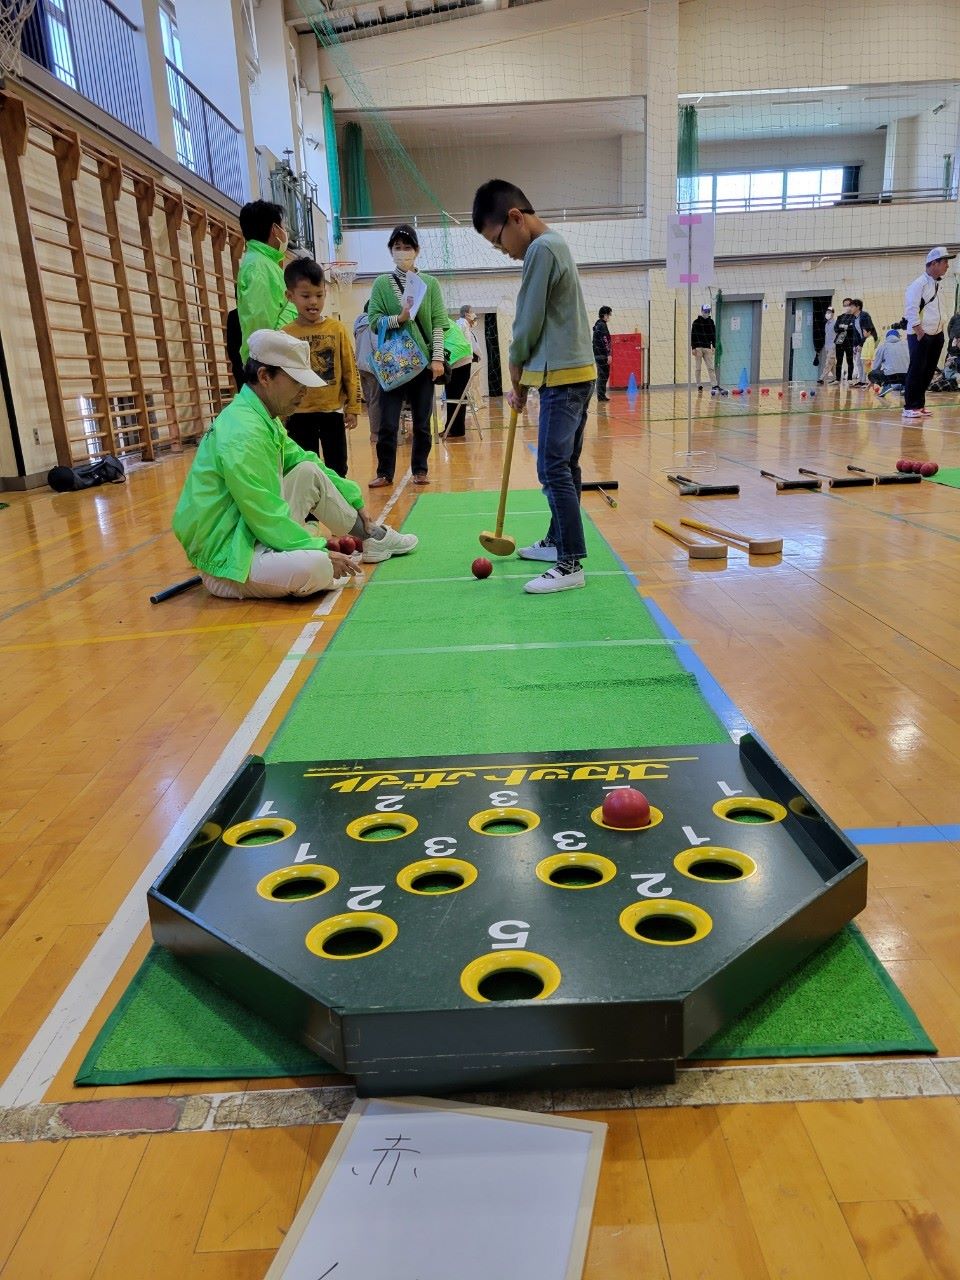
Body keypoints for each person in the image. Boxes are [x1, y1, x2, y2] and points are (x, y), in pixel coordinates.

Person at [172, 330, 417, 600]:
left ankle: (371, 536)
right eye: (296, 382)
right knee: (316, 566)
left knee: (308, 472)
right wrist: (318, 549)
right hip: (230, 560)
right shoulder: (244, 434)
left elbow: (304, 460)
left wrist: (353, 498)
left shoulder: (262, 417)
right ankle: (308, 552)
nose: (304, 391)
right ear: (265, 376)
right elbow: (265, 514)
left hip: (248, 532)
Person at [472, 179, 595, 594]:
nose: (502, 248)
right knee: (566, 466)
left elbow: (528, 319)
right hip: (571, 374)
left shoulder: (540, 251)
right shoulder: (554, 245)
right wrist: (527, 381)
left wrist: (514, 363)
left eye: (498, 239)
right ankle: (559, 540)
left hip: (564, 378)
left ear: (515, 218)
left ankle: (570, 562)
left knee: (551, 467)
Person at [367, 223, 449, 487]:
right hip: (394, 364)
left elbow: (438, 323)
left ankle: (420, 470)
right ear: (391, 251)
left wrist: (437, 359)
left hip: (423, 364)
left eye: (407, 247)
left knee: (422, 422)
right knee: (388, 422)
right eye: (397, 248)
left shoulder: (430, 284)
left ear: (417, 251)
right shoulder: (381, 283)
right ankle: (384, 472)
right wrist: (398, 318)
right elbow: (373, 321)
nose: (402, 252)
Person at [281, 259, 360, 478]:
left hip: (332, 411)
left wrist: (353, 406)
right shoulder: (286, 334)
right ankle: (310, 511)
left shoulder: (336, 329)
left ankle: (339, 507)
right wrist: (280, 411)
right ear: (290, 296)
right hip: (299, 414)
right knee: (305, 467)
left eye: (319, 295)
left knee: (337, 466)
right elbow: (283, 378)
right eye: (306, 296)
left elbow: (349, 369)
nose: (313, 302)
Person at [235, 200, 297, 362]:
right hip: (270, 364)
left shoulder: (265, 263)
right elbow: (260, 325)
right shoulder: (258, 267)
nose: (285, 232)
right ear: (275, 229)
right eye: (283, 227)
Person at [902, 246, 955, 420]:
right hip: (921, 334)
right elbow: (911, 308)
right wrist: (919, 331)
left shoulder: (936, 283)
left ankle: (919, 405)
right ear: (934, 263)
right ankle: (910, 406)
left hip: (936, 333)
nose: (947, 266)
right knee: (916, 370)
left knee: (928, 370)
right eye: (945, 262)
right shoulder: (919, 284)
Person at [354, 303, 383, 444]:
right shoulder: (373, 323)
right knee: (376, 400)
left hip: (361, 365)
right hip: (372, 366)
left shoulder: (358, 323)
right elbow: (377, 345)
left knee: (370, 401)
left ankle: (374, 432)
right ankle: (376, 433)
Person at [442, 317, 475, 439]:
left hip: (458, 357)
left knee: (455, 396)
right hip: (462, 355)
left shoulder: (436, 320)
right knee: (456, 395)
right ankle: (452, 428)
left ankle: (455, 430)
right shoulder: (445, 319)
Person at [868, 328, 909, 396]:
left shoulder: (883, 346)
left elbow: (875, 366)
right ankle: (905, 387)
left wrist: (875, 382)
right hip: (907, 376)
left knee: (872, 374)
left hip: (891, 377)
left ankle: (886, 385)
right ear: (898, 337)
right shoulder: (906, 344)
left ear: (887, 337)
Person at [690, 303, 718, 391]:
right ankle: (699, 384)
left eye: (708, 311)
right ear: (702, 311)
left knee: (711, 367)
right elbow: (692, 335)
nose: (707, 313)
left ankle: (714, 385)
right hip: (698, 348)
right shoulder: (696, 322)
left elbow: (713, 334)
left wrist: (714, 345)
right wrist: (693, 348)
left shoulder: (711, 322)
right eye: (705, 311)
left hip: (707, 347)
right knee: (698, 368)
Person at [849, 299, 876, 386]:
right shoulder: (853, 318)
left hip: (868, 341)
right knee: (858, 362)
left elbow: (868, 331)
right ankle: (861, 380)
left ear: (858, 307)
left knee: (864, 362)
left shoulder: (864, 315)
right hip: (860, 342)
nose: (850, 308)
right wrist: (854, 346)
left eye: (852, 306)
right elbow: (855, 334)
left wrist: (861, 344)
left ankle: (865, 381)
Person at [833, 298, 857, 387]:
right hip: (839, 342)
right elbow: (836, 328)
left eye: (848, 305)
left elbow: (852, 329)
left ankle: (850, 378)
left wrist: (844, 327)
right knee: (839, 361)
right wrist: (844, 327)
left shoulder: (854, 317)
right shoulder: (840, 317)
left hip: (850, 342)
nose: (846, 307)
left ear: (852, 305)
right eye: (845, 305)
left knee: (849, 361)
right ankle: (837, 378)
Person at [592, 307, 612, 401]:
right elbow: (605, 340)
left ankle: (601, 395)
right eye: (609, 315)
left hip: (597, 354)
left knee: (602, 374)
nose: (609, 317)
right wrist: (608, 354)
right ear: (604, 315)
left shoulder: (597, 324)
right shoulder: (602, 325)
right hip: (602, 355)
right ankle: (601, 396)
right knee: (603, 375)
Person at [817, 305, 836, 384]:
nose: (827, 314)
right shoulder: (826, 324)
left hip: (833, 346)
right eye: (826, 312)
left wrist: (836, 344)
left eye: (829, 312)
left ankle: (821, 378)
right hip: (827, 347)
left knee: (828, 362)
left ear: (832, 314)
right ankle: (836, 378)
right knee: (832, 363)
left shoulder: (835, 323)